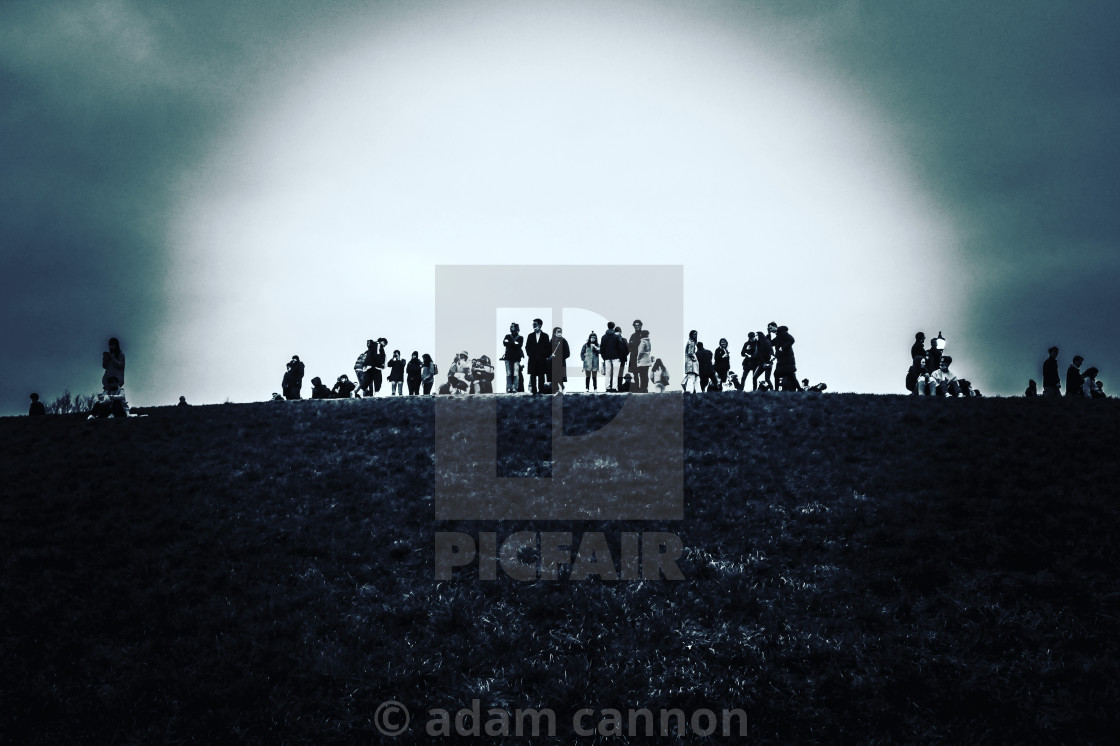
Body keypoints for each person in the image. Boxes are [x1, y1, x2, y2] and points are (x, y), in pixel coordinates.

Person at [772, 325, 802, 391]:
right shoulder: (777, 336)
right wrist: (768, 334)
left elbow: (792, 340)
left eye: (771, 328)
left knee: (787, 374)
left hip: (787, 359)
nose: (770, 330)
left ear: (775, 327)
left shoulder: (783, 332)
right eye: (769, 329)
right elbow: (771, 343)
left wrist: (783, 347)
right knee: (786, 374)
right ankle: (800, 389)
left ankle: (776, 390)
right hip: (781, 359)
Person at [525, 319, 550, 395]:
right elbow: (527, 347)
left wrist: (543, 356)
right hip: (532, 359)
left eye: (535, 324)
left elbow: (548, 348)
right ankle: (534, 391)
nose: (533, 326)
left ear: (539, 325)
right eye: (533, 324)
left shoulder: (545, 336)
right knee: (533, 375)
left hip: (541, 360)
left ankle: (541, 391)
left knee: (541, 375)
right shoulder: (530, 336)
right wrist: (530, 355)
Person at [501, 323, 524, 393]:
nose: (511, 328)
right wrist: (514, 343)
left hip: (516, 358)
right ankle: (509, 388)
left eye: (512, 327)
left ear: (516, 328)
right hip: (508, 358)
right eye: (510, 327)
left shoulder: (520, 337)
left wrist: (510, 343)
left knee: (515, 374)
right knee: (508, 374)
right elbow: (504, 343)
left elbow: (519, 345)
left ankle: (514, 388)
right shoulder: (507, 336)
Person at [600, 322, 622, 392]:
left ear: (608, 326)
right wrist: (619, 356)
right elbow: (620, 347)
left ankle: (607, 387)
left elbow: (601, 349)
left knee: (607, 373)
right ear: (613, 327)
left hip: (606, 357)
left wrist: (604, 357)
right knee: (615, 373)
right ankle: (614, 387)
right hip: (616, 357)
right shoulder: (617, 336)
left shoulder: (603, 337)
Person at [549, 327, 571, 394]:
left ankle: (563, 388)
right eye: (558, 332)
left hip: (560, 362)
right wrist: (550, 355)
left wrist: (559, 356)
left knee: (560, 378)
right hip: (553, 362)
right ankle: (556, 391)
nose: (559, 333)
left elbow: (568, 353)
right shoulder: (551, 341)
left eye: (560, 332)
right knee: (554, 378)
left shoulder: (563, 341)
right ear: (554, 333)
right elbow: (547, 351)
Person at [627, 320, 645, 390]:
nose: (637, 327)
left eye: (638, 325)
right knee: (635, 373)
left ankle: (643, 388)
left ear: (641, 325)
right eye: (635, 325)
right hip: (633, 356)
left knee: (642, 373)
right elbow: (629, 347)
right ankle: (637, 387)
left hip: (641, 357)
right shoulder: (632, 335)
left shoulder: (643, 334)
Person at [633, 329, 652, 393]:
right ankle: (645, 388)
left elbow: (640, 352)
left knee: (642, 375)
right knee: (646, 375)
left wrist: (638, 359)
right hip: (647, 360)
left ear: (642, 335)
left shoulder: (643, 342)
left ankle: (642, 388)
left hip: (642, 361)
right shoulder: (648, 341)